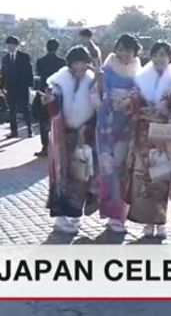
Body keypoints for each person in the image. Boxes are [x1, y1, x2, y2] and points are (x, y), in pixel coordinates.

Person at [126, 41, 171, 238]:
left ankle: (160, 220)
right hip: (143, 129)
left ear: (170, 57)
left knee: (161, 176)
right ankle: (146, 221)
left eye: (164, 55)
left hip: (164, 130)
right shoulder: (142, 77)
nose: (159, 59)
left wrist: (168, 103)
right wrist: (134, 104)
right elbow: (134, 99)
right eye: (156, 54)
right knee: (142, 175)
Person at [44, 46, 98, 233]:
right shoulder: (59, 81)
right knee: (61, 175)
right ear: (70, 63)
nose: (80, 67)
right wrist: (49, 101)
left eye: (84, 62)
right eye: (77, 62)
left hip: (83, 134)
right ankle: (60, 217)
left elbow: (97, 107)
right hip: (62, 134)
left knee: (81, 175)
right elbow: (53, 108)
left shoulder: (91, 81)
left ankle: (75, 214)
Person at [93, 34, 142, 233]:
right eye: (120, 49)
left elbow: (141, 96)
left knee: (124, 170)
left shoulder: (139, 72)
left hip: (127, 126)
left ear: (135, 52)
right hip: (107, 124)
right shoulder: (106, 70)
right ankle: (110, 213)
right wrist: (100, 88)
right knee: (108, 169)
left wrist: (131, 101)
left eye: (128, 50)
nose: (124, 54)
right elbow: (96, 94)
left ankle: (121, 215)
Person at [34, 39, 67, 157]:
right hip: (57, 93)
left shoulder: (40, 61)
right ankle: (57, 146)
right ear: (57, 48)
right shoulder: (62, 62)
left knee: (43, 121)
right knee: (56, 120)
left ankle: (45, 146)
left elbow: (39, 75)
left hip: (44, 92)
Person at [0, 36, 34, 139]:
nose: (10, 47)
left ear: (16, 46)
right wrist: (2, 87)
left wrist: (29, 85)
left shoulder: (24, 57)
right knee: (12, 110)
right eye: (8, 45)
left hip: (22, 87)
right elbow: (3, 73)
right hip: (10, 87)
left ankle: (29, 129)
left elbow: (29, 71)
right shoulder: (5, 58)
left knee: (25, 109)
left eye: (12, 45)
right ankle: (13, 131)